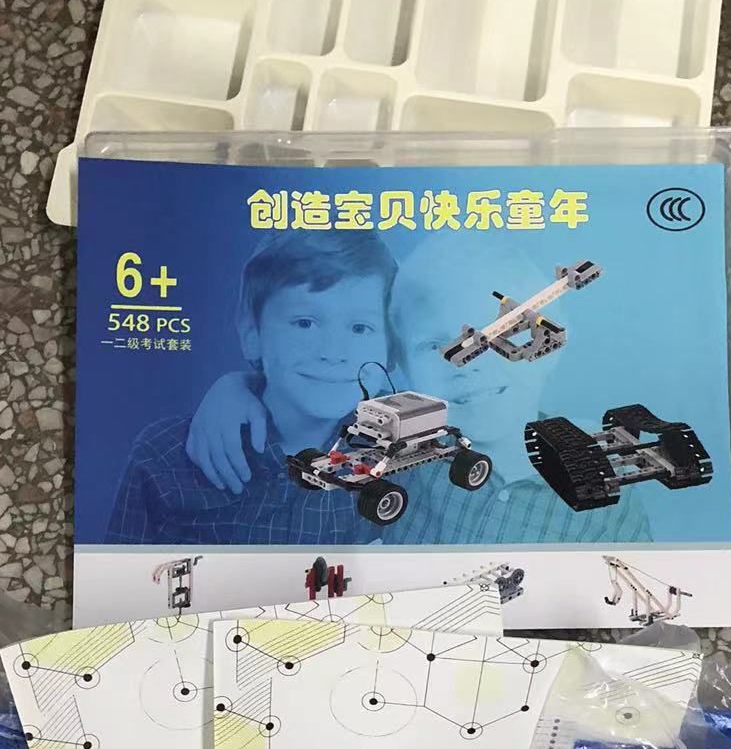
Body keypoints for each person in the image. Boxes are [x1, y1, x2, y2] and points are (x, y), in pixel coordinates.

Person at [185, 234, 652, 549]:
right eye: (434, 346)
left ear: (550, 346)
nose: (470, 365)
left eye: (502, 333)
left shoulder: (604, 487)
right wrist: (238, 386)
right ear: (401, 365)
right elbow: (303, 410)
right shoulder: (403, 457)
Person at [106, 230, 396, 546]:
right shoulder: (164, 456)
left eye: (360, 328)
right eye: (305, 323)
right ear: (252, 335)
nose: (333, 352)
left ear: (390, 344)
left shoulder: (403, 453)